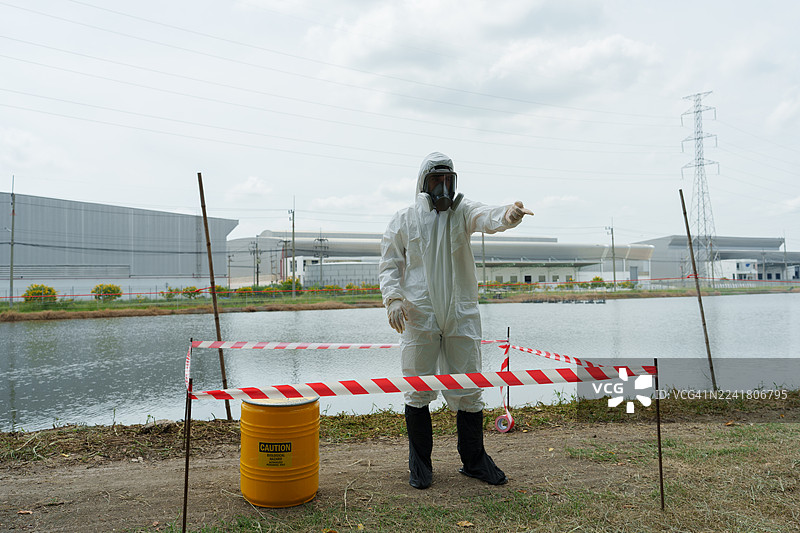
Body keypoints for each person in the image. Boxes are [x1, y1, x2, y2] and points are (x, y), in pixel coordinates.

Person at [379, 152, 534, 489]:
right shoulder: (404, 219)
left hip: (460, 313)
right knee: (417, 387)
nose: (444, 187)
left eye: (449, 180)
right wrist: (392, 299)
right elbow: (390, 263)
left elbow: (488, 216)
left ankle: (474, 460)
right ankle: (420, 466)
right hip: (419, 314)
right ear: (424, 183)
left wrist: (510, 214)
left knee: (470, 386)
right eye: (437, 180)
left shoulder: (462, 212)